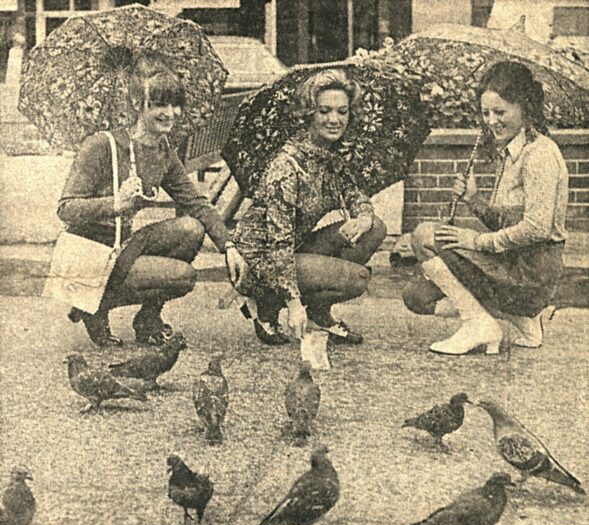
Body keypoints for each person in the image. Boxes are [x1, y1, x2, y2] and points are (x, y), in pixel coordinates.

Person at [58, 54, 246, 346]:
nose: (170, 112)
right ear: (137, 104)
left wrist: (228, 246)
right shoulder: (101, 145)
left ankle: (147, 318)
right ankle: (92, 305)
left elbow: (196, 203)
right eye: (159, 104)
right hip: (90, 253)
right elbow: (66, 209)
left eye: (175, 104)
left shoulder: (161, 150)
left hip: (123, 246)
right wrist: (114, 204)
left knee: (191, 229)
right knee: (182, 276)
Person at [403, 61, 569, 355]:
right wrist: (474, 200)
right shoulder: (510, 152)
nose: (491, 121)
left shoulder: (540, 154)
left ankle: (479, 323)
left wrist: (476, 241)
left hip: (531, 273)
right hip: (512, 262)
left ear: (525, 107)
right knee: (416, 295)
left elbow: (537, 228)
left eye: (500, 112)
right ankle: (523, 321)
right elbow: (506, 222)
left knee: (424, 235)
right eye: (485, 113)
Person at [232, 69, 387, 346]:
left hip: (295, 246)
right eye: (324, 111)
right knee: (357, 279)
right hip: (260, 262)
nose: (334, 120)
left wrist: (364, 216)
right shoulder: (287, 167)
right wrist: (293, 304)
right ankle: (267, 303)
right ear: (309, 114)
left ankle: (319, 311)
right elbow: (278, 244)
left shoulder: (329, 155)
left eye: (342, 111)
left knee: (375, 228)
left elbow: (354, 193)